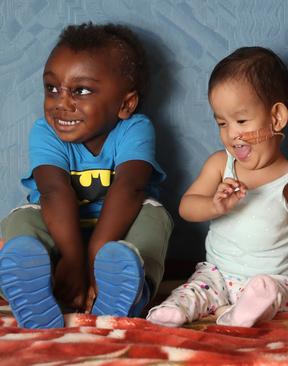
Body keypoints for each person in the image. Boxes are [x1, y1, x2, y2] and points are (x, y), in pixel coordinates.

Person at [146, 47, 288, 328]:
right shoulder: (220, 164)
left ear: (276, 118)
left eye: (241, 121)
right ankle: (176, 310)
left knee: (269, 293)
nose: (231, 134)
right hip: (218, 272)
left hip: (271, 280)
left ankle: (242, 313)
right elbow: (187, 207)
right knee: (195, 287)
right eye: (222, 123)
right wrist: (214, 205)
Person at [0, 23, 173, 329]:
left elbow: (130, 186)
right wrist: (72, 257)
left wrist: (95, 254)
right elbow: (53, 190)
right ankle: (34, 291)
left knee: (154, 216)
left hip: (114, 240)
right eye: (52, 88)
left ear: (125, 104)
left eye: (80, 90)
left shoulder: (134, 128)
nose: (61, 103)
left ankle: (131, 291)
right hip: (61, 232)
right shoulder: (46, 131)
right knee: (20, 221)